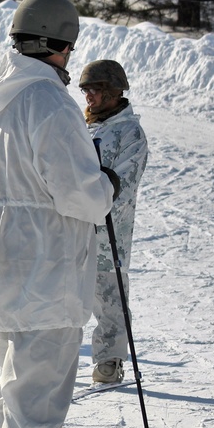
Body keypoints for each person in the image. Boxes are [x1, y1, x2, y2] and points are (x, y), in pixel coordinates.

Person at [0, 0, 118, 428]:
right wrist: (108, 185)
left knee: (13, 388)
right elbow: (79, 193)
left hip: (5, 260)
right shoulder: (49, 103)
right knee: (40, 394)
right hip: (48, 265)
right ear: (59, 44)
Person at [78, 60, 149, 384]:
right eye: (86, 90)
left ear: (115, 92)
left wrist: (95, 207)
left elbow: (124, 183)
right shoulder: (81, 125)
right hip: (71, 227)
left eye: (96, 90)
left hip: (108, 232)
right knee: (64, 293)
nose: (89, 96)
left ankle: (109, 359)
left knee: (109, 299)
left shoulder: (129, 132)